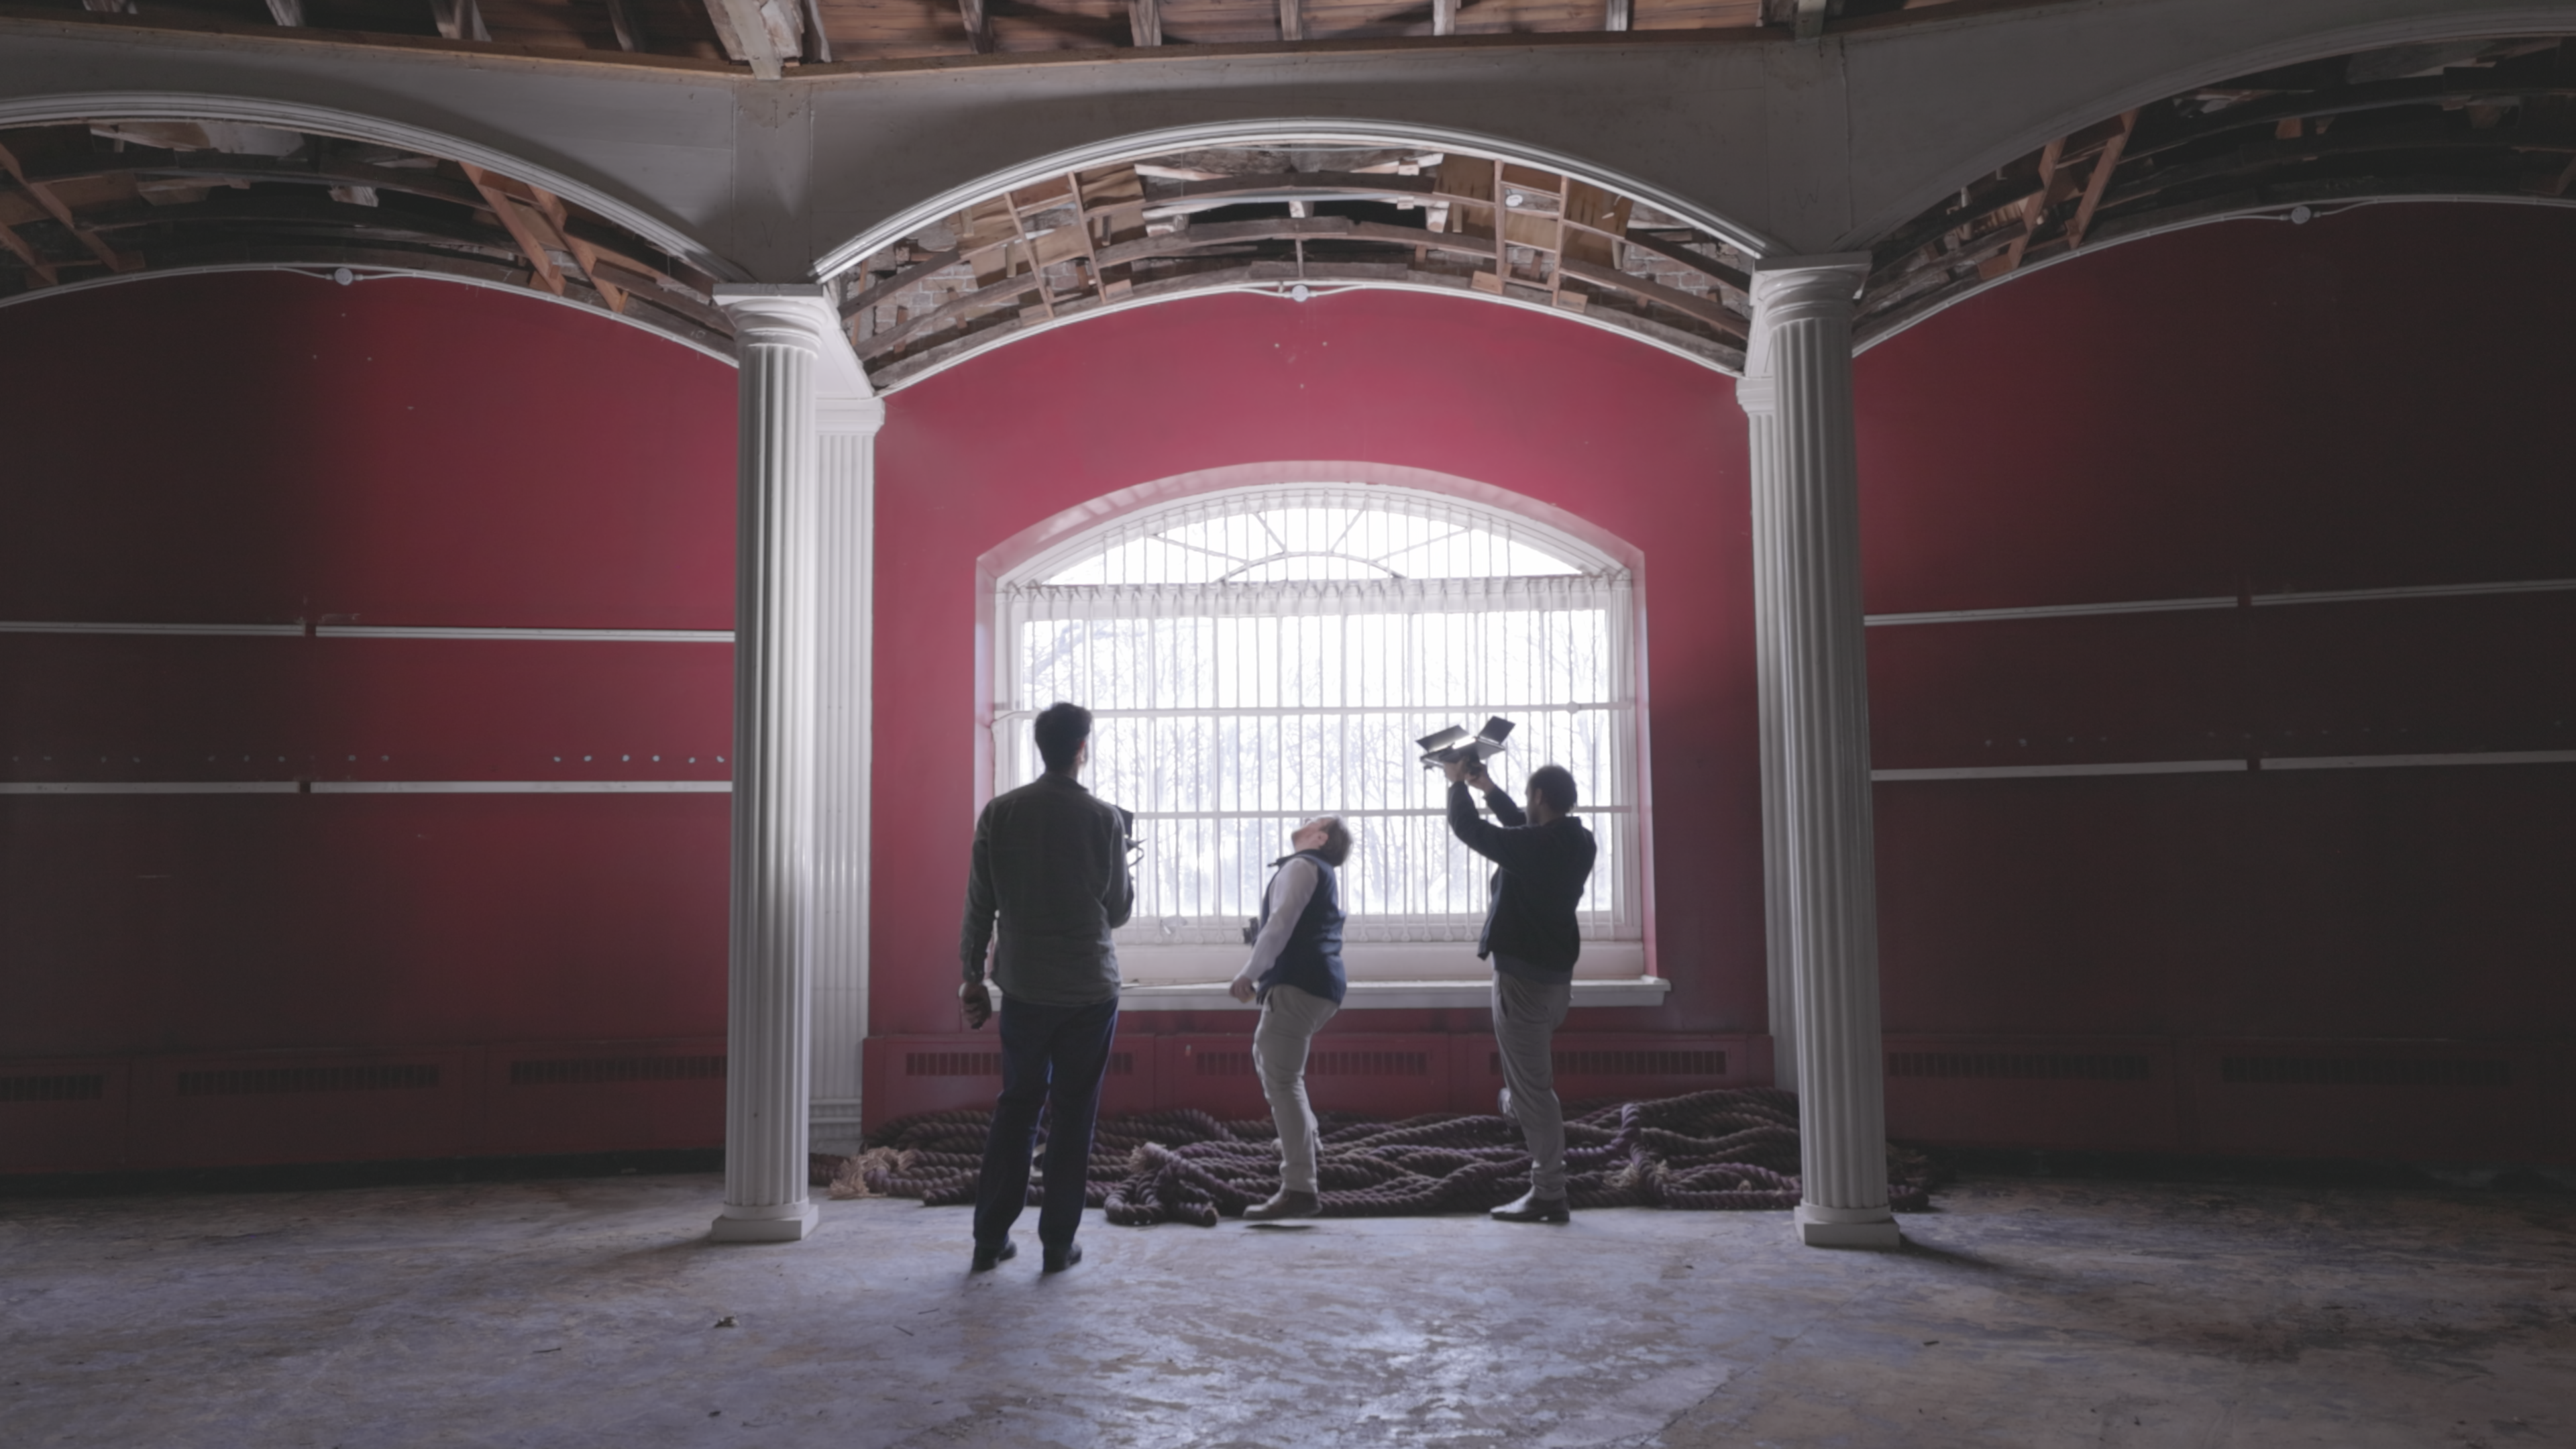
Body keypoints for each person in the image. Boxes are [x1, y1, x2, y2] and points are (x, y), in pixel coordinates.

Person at [957, 701, 1134, 1274]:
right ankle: (1058, 1243)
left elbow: (979, 905)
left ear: (1042, 747)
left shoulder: (1000, 813)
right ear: (1082, 749)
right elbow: (1116, 913)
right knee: (1075, 1113)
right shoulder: (1104, 819)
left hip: (1026, 988)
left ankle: (989, 1239)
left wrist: (971, 976)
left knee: (1018, 1108)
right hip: (1089, 988)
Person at [1442, 755, 1597, 1224]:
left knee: (1534, 1093)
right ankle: (1521, 1113)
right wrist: (1486, 785)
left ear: (1539, 798)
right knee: (1528, 1088)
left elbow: (1474, 832)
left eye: (1529, 798)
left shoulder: (1538, 845)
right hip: (1555, 984)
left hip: (1523, 984)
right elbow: (1520, 831)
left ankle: (1549, 1192)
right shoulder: (1576, 840)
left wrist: (1455, 786)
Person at [1227, 816, 1355, 1222]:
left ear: (1320, 839)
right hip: (1315, 985)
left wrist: (1250, 971)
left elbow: (1279, 925)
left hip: (1300, 983)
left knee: (1282, 1077)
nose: (1305, 821)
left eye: (1315, 822)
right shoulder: (1313, 870)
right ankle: (1305, 1142)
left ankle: (1300, 1187)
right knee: (1270, 1059)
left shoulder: (1302, 866)